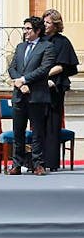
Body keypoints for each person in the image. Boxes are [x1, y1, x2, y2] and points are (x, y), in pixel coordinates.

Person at [8, 16, 55, 175]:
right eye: (24, 28)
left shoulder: (47, 47)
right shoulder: (21, 47)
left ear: (38, 30)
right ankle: (17, 164)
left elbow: (44, 69)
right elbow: (12, 68)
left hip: (37, 96)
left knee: (37, 132)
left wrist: (24, 80)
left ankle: (38, 164)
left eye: (28, 28)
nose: (25, 31)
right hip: (19, 95)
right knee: (18, 132)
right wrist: (20, 83)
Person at [41, 9, 78, 171]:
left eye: (48, 22)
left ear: (56, 25)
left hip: (54, 85)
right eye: (43, 22)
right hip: (38, 86)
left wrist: (43, 75)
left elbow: (63, 65)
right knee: (37, 123)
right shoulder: (38, 39)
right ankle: (36, 160)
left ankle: (51, 162)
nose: (45, 25)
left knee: (52, 123)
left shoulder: (62, 42)